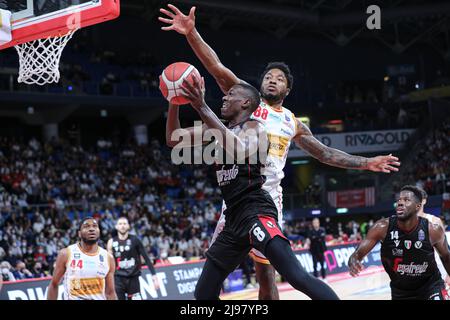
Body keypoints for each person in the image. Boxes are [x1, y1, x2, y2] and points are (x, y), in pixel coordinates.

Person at [160, 3, 401, 300]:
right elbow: (216, 67)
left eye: (280, 78)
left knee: (267, 275)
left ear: (287, 90)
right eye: (268, 76)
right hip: (235, 201)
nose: (272, 79)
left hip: (266, 199)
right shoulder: (246, 102)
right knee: (214, 280)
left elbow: (325, 154)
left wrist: (367, 163)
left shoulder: (292, 122)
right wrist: (192, 33)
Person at [168, 73, 339, 300]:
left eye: (230, 95)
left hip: (256, 212)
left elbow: (238, 149)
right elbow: (173, 138)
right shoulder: (218, 129)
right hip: (233, 219)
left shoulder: (256, 127)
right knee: (203, 294)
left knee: (296, 276)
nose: (224, 99)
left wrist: (202, 107)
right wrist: (174, 100)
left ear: (246, 103)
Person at [348, 185, 450, 300]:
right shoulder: (381, 227)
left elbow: (446, 256)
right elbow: (358, 253)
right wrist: (354, 260)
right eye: (399, 200)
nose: (400, 202)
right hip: (401, 291)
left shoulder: (433, 230)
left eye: (406, 200)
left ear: (418, 206)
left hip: (430, 286)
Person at [47, 217, 117, 300]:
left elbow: (110, 292)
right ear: (79, 233)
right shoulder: (66, 254)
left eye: (95, 226)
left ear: (99, 231)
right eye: (86, 226)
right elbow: (54, 284)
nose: (91, 229)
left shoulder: (108, 258)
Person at [107, 216, 160, 300]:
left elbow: (146, 258)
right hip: (118, 280)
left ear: (128, 226)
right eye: (120, 224)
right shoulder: (111, 242)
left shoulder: (135, 240)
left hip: (133, 279)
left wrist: (154, 276)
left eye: (125, 224)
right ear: (116, 226)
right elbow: (108, 264)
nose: (122, 226)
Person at [417, 188, 450, 286]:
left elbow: (446, 249)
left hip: (437, 267)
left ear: (424, 200)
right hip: (415, 270)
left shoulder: (434, 221)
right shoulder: (404, 223)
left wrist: (449, 273)